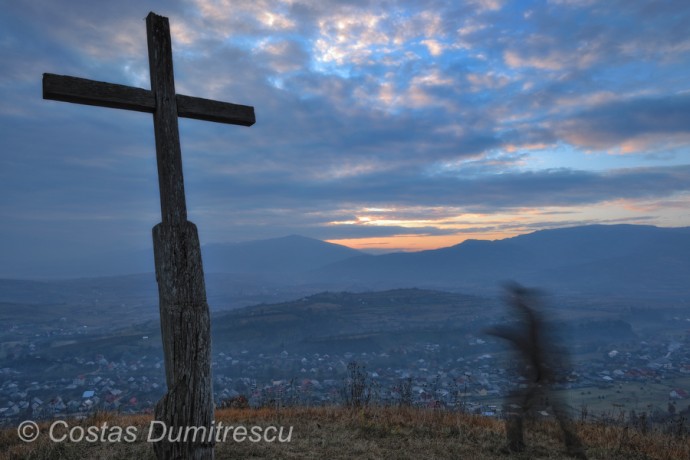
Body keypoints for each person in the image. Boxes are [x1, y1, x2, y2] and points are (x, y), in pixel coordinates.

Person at [485, 282, 587, 459]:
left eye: (512, 297)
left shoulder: (531, 317)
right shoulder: (532, 316)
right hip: (541, 374)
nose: (510, 301)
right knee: (553, 411)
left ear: (519, 298)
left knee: (520, 407)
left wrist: (501, 333)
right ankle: (574, 449)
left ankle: (518, 445)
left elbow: (528, 345)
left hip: (540, 375)